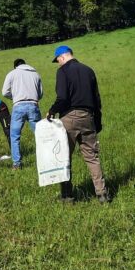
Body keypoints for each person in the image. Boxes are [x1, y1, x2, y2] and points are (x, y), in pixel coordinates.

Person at [47, 45, 110, 204]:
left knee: (64, 158)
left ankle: (67, 196)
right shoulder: (88, 70)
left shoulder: (62, 71)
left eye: (58, 61)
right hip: (88, 116)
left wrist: (51, 111)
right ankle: (102, 194)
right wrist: (97, 121)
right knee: (92, 157)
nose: (58, 64)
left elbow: (63, 98)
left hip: (69, 117)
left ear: (61, 57)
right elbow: (97, 100)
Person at [1, 58, 43, 169]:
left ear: (15, 66)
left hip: (18, 106)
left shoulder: (12, 74)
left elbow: (4, 92)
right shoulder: (36, 74)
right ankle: (44, 160)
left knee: (14, 136)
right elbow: (40, 94)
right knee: (40, 135)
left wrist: (14, 96)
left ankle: (17, 164)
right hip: (33, 105)